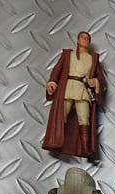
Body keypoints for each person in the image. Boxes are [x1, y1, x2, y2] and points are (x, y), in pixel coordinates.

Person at [43, 31, 103, 162]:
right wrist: (52, 82)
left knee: (84, 118)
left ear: (89, 42)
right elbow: (57, 70)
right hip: (68, 87)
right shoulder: (68, 55)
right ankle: (57, 142)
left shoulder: (93, 58)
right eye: (82, 37)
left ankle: (85, 148)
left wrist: (95, 82)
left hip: (83, 89)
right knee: (61, 115)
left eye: (87, 38)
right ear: (77, 40)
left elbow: (99, 77)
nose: (84, 39)